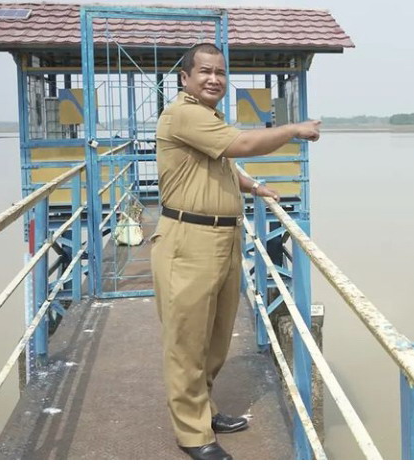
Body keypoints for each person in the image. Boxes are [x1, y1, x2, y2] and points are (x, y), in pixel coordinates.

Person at [151, 43, 320, 460]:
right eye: (205, 71)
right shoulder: (184, 114)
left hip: (222, 239)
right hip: (188, 241)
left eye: (221, 73)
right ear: (184, 78)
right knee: (188, 343)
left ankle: (204, 410)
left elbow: (223, 164)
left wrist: (256, 188)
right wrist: (293, 129)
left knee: (215, 340)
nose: (214, 79)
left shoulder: (207, 118)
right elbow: (241, 145)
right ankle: (192, 434)